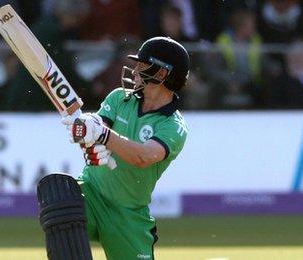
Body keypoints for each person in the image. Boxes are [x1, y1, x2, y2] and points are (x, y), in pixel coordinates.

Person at [37, 37, 189, 259]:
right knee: (60, 198)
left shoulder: (173, 126)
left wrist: (102, 135)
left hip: (128, 213)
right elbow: (97, 130)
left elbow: (143, 157)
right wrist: (86, 130)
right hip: (92, 193)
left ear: (161, 74)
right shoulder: (119, 98)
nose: (135, 71)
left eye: (143, 66)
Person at [266, 41, 303, 109]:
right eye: (293, 57)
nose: (298, 60)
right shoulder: (280, 83)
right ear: (287, 59)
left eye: (301, 56)